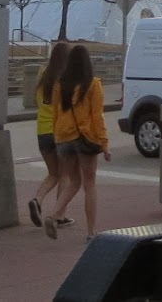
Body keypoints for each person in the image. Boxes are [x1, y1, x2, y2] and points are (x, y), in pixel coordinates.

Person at [47, 44, 109, 239]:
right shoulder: (93, 84)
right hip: (85, 137)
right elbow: (97, 117)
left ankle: (54, 214)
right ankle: (91, 231)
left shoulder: (60, 84)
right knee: (89, 184)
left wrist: (56, 136)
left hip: (63, 136)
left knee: (73, 181)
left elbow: (56, 113)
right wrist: (104, 144)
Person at [26, 41, 70, 228]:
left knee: (53, 173)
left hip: (42, 132)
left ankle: (37, 199)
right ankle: (59, 215)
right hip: (60, 132)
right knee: (66, 174)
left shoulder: (42, 75)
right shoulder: (65, 79)